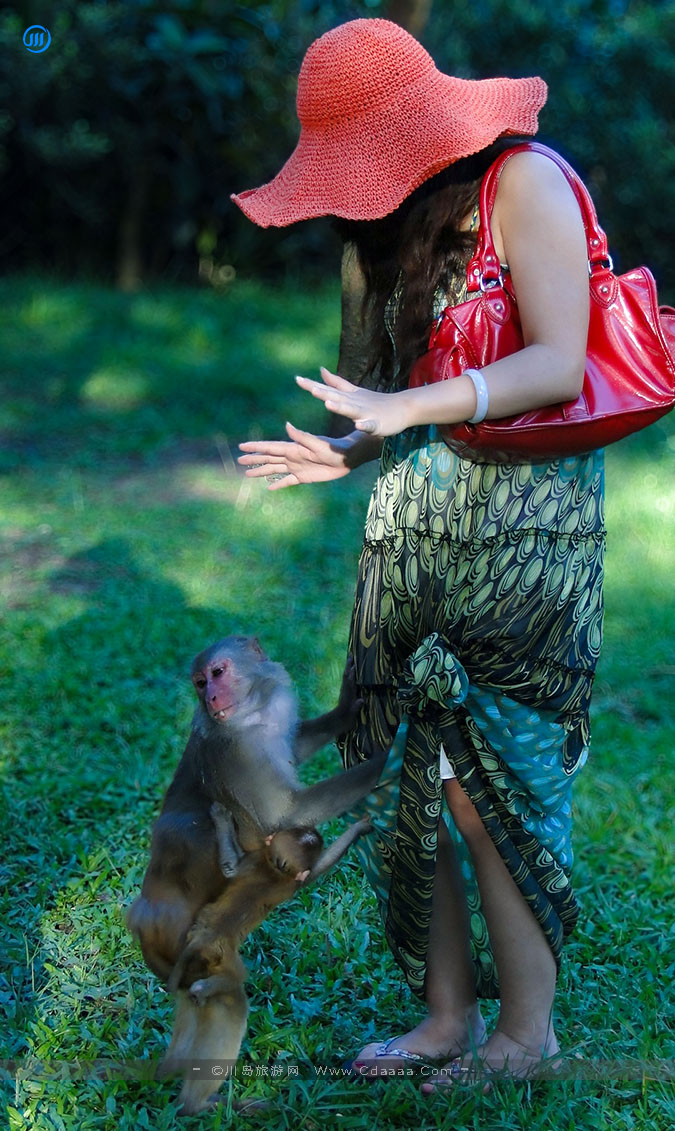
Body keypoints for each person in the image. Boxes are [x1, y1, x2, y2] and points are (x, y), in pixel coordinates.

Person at [233, 18, 605, 1090]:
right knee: (420, 782)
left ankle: (526, 1039)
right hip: (420, 533)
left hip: (526, 536)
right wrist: (352, 449)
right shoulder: (399, 224)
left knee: (500, 791)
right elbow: (407, 401)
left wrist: (402, 408)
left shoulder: (526, 181)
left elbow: (558, 364)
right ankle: (446, 1018)